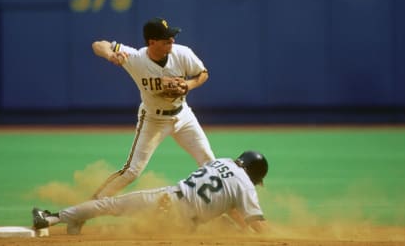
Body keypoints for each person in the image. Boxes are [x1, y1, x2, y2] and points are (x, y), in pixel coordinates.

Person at [90, 17, 215, 199]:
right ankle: (88, 207)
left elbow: (203, 74)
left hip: (183, 116)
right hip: (153, 120)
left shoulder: (182, 53)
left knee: (209, 163)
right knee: (131, 171)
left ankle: (231, 212)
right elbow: (98, 45)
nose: (172, 41)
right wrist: (111, 55)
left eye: (172, 37)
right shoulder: (135, 58)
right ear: (152, 42)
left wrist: (189, 85)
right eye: (167, 39)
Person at [32, 151, 269, 235]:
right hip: (185, 225)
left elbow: (230, 204)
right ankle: (71, 222)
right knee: (224, 225)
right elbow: (255, 224)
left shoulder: (221, 161)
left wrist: (242, 226)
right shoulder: (245, 185)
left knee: (111, 206)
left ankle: (53, 218)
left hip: (170, 200)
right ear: (255, 175)